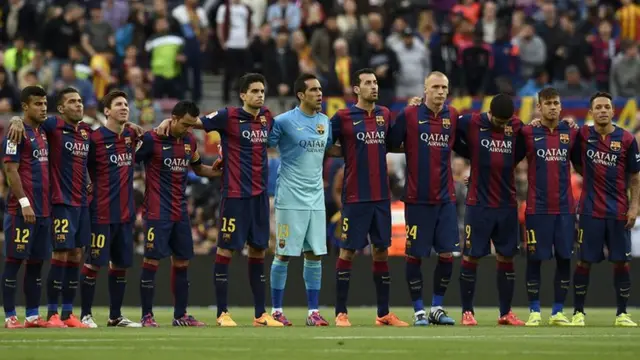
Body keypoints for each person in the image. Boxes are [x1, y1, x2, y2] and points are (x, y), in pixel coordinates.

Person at [155, 73, 282, 327]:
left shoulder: (267, 117)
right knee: (225, 250)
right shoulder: (228, 116)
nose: (259, 95)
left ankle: (260, 314)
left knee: (258, 249)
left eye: (262, 91)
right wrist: (171, 120)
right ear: (243, 95)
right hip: (234, 196)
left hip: (259, 198)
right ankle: (222, 312)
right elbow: (197, 122)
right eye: (254, 91)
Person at [329, 68, 408, 327]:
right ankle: (341, 313)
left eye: (375, 82)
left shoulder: (385, 114)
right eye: (367, 83)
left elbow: (395, 143)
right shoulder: (342, 117)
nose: (373, 87)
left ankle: (383, 313)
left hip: (380, 197)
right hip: (355, 197)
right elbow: (326, 143)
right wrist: (348, 153)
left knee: (381, 251)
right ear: (356, 89)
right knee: (348, 251)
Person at [7, 87, 91, 328]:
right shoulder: (51, 126)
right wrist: (14, 118)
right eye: (72, 101)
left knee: (76, 254)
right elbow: (24, 121)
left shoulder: (86, 131)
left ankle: (67, 313)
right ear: (61, 108)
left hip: (81, 204)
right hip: (58, 202)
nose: (78, 105)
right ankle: (50, 312)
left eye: (80, 100)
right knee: (57, 254)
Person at [136, 101, 219, 327]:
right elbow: (130, 161)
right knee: (151, 260)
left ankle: (180, 315)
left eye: (192, 125)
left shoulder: (190, 141)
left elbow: (199, 168)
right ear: (173, 118)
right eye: (185, 124)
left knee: (182, 262)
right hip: (156, 211)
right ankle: (146, 316)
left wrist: (217, 170)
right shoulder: (152, 139)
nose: (188, 129)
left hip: (180, 211)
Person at [388, 72, 459, 326]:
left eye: (444, 87)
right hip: (418, 199)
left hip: (446, 198)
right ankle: (418, 310)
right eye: (436, 87)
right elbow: (392, 142)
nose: (441, 92)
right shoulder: (410, 115)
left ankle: (437, 307)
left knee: (447, 254)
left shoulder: (453, 116)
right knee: (415, 255)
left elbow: (466, 145)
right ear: (425, 90)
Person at [455, 94, 526, 326]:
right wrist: (472, 156)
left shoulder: (516, 126)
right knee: (472, 255)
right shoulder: (472, 122)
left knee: (506, 257)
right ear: (490, 113)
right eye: (499, 121)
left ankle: (505, 313)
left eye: (507, 121)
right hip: (479, 204)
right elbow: (449, 129)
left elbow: (530, 140)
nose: (503, 125)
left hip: (506, 204)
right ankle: (467, 312)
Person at [570, 92, 640, 327]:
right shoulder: (583, 135)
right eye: (598, 107)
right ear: (591, 113)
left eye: (606, 107)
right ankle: (578, 313)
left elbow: (635, 178)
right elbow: (576, 163)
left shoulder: (627, 139)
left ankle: (622, 314)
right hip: (590, 210)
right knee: (584, 261)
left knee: (621, 262)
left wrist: (634, 206)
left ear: (613, 111)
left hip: (619, 210)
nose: (602, 110)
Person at [267, 73, 331, 326]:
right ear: (301, 95)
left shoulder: (325, 122)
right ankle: (276, 311)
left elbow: (333, 148)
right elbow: (264, 144)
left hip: (316, 198)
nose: (319, 93)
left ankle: (312, 313)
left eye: (320, 89)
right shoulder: (283, 122)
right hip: (290, 197)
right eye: (314, 90)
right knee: (283, 254)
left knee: (315, 255)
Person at [78, 90, 142, 328]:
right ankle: (85, 315)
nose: (124, 107)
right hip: (101, 213)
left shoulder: (130, 137)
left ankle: (115, 316)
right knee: (94, 263)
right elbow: (78, 165)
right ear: (107, 111)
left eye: (126, 104)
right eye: (118, 104)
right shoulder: (94, 139)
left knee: (121, 265)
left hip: (125, 215)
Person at [2, 86, 62, 328]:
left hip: (44, 211)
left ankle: (33, 315)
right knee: (13, 262)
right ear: (25, 106)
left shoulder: (44, 131)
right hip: (21, 211)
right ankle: (9, 316)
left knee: (36, 265)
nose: (43, 107)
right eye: (37, 104)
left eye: (45, 103)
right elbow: (10, 170)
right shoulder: (16, 134)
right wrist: (25, 203)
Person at [518, 87, 578, 326]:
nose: (553, 107)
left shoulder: (572, 132)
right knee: (535, 260)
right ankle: (534, 310)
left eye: (556, 103)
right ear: (539, 107)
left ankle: (558, 311)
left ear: (561, 106)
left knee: (564, 259)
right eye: (548, 103)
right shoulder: (527, 132)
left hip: (564, 208)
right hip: (537, 208)